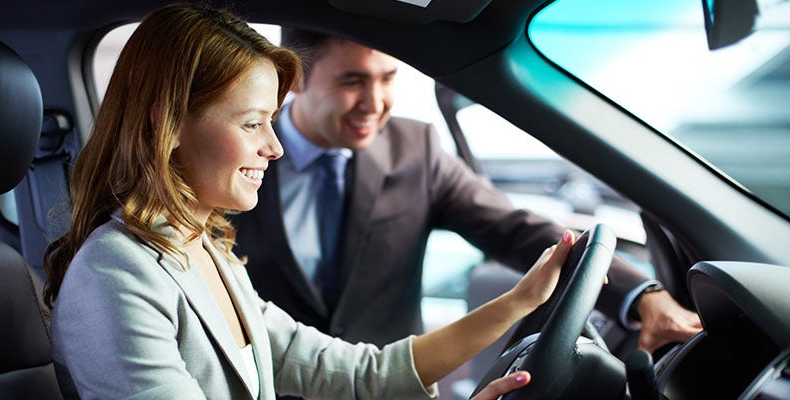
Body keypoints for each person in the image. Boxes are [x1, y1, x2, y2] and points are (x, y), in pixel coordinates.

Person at [43, 4, 576, 399]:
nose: (274, 148)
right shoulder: (116, 274)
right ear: (169, 126)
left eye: (270, 123)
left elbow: (356, 373)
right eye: (252, 124)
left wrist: (521, 302)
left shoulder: (206, 251)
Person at [230, 28, 703, 354]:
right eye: (352, 81)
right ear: (294, 79)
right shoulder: (234, 156)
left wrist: (643, 293)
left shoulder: (417, 149)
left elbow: (515, 229)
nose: (374, 103)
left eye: (388, 78)